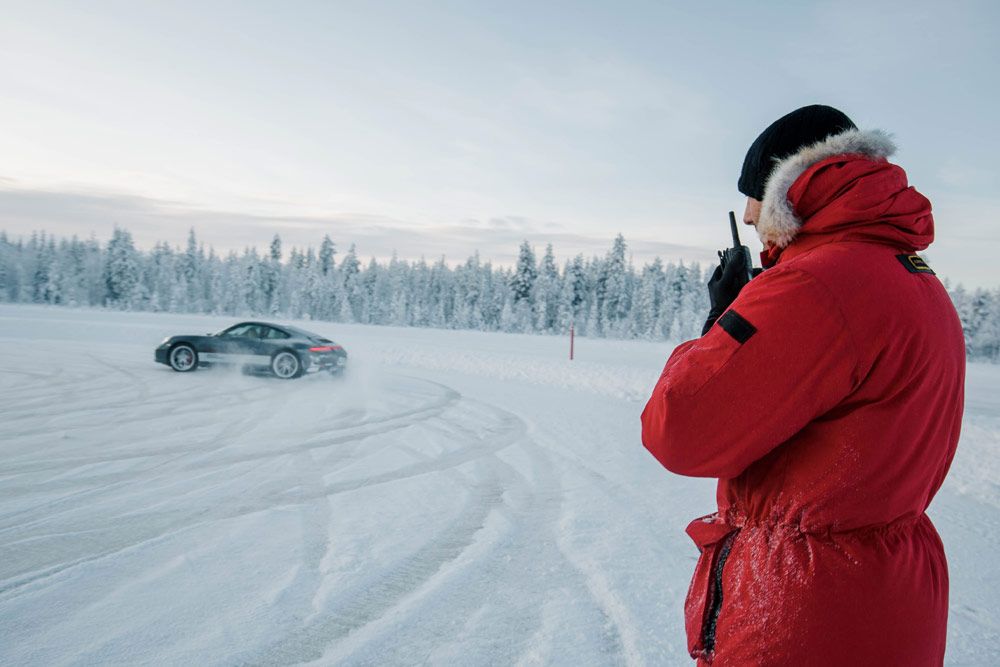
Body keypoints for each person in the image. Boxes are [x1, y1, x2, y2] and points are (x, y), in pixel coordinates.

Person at [640, 105, 965, 666]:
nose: (747, 217)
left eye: (753, 199)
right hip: (889, 596)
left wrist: (720, 329)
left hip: (805, 613)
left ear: (786, 186)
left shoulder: (813, 286)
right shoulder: (910, 274)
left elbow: (679, 430)